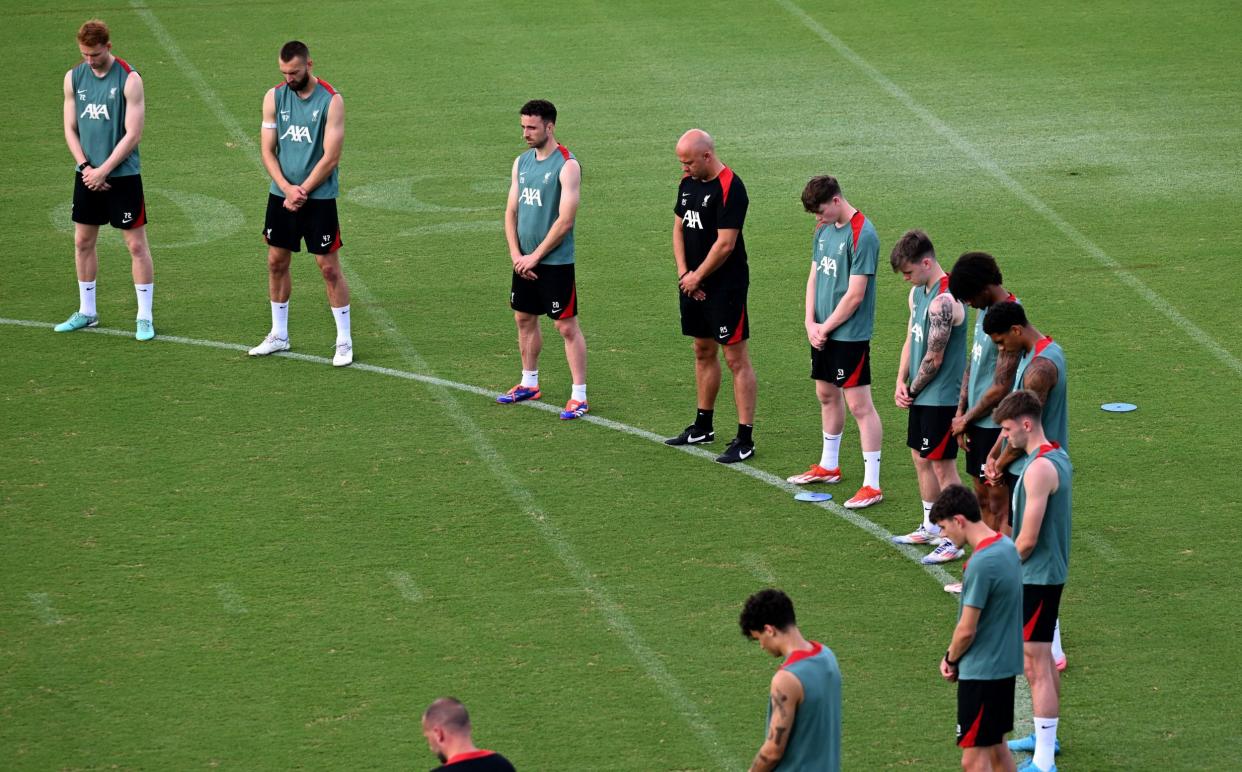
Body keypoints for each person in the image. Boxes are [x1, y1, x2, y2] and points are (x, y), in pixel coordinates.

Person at [248, 41, 353, 367]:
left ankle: (344, 341)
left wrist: (302, 190)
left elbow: (331, 155)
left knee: (328, 267)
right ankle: (279, 335)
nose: (289, 78)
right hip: (282, 195)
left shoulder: (331, 101)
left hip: (317, 198)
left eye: (294, 72)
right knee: (276, 262)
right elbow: (267, 149)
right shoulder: (274, 97)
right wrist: (285, 188)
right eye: (284, 73)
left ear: (309, 63)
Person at [785, 176, 884, 510]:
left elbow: (855, 294)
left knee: (859, 405)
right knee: (826, 394)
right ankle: (829, 466)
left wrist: (824, 327)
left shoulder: (863, 234)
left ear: (836, 200)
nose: (818, 218)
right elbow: (814, 275)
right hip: (823, 330)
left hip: (848, 334)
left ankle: (872, 484)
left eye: (820, 211)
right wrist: (809, 321)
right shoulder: (822, 230)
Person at [980, 301, 1070, 671]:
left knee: (1034, 555)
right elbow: (1013, 423)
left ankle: (1052, 647)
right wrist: (993, 452)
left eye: (1002, 342)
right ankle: (1047, 643)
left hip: (1033, 467)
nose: (1001, 351)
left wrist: (999, 464)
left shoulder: (1040, 368)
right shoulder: (1035, 356)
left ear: (1017, 330)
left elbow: (1024, 426)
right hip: (1030, 461)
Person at [58, 19, 156, 341]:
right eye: (85, 54)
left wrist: (104, 170)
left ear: (108, 47)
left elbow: (133, 134)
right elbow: (70, 128)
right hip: (87, 175)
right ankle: (87, 312)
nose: (89, 60)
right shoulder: (74, 78)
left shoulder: (130, 80)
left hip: (123, 177)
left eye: (95, 54)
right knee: (82, 242)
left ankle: (144, 316)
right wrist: (86, 166)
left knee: (136, 245)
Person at [665, 129, 758, 464]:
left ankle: (745, 438)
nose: (684, 167)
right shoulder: (687, 183)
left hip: (725, 287)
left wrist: (697, 276)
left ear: (707, 155)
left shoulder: (731, 187)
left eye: (688, 161)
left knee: (735, 358)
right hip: (691, 283)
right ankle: (703, 426)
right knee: (702, 350)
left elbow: (726, 244)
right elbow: (678, 228)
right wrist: (683, 275)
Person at [495, 100, 589, 420]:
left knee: (565, 326)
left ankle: (579, 395)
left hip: (555, 263)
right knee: (524, 319)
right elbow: (511, 211)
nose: (525, 133)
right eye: (523, 126)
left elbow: (565, 220)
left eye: (531, 127)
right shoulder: (521, 163)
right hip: (524, 261)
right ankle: (529, 382)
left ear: (549, 127)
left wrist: (535, 256)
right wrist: (516, 255)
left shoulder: (567, 165)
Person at [993, 391, 1072, 772]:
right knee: (1041, 661)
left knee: (1035, 664)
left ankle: (1043, 761)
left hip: (1037, 578)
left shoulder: (1040, 469)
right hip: (1044, 574)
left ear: (1026, 424)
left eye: (1008, 429)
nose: (1005, 437)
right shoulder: (1052, 456)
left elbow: (1026, 540)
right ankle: (1048, 740)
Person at [931, 485, 1023, 772]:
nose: (944, 535)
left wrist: (950, 658)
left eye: (944, 527)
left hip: (983, 671)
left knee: (973, 760)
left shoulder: (981, 563)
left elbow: (967, 629)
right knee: (997, 748)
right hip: (1004, 667)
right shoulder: (1006, 546)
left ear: (959, 520)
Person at [890, 230, 968, 564]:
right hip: (921, 394)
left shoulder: (944, 301)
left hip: (941, 398)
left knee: (943, 468)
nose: (906, 279)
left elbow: (935, 358)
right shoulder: (919, 294)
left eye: (909, 272)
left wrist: (913, 389)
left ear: (926, 262)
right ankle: (931, 525)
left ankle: (956, 538)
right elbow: (912, 337)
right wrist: (900, 380)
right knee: (920, 459)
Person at [947, 253, 1020, 534]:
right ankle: (986, 565)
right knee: (982, 498)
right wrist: (961, 413)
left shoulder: (1008, 316)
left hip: (995, 424)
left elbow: (1002, 385)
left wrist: (967, 419)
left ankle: (996, 571)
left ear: (984, 288)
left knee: (998, 504)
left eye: (968, 297)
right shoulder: (984, 310)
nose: (967, 304)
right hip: (976, 419)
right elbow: (974, 361)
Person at [739, 589, 841, 772]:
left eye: (759, 638)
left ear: (769, 630)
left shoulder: (786, 679)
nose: (761, 646)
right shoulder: (828, 657)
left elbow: (772, 751)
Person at [421, 698, 516, 771]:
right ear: (468, 726)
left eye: (428, 737)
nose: (431, 747)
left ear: (439, 734)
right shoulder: (502, 765)